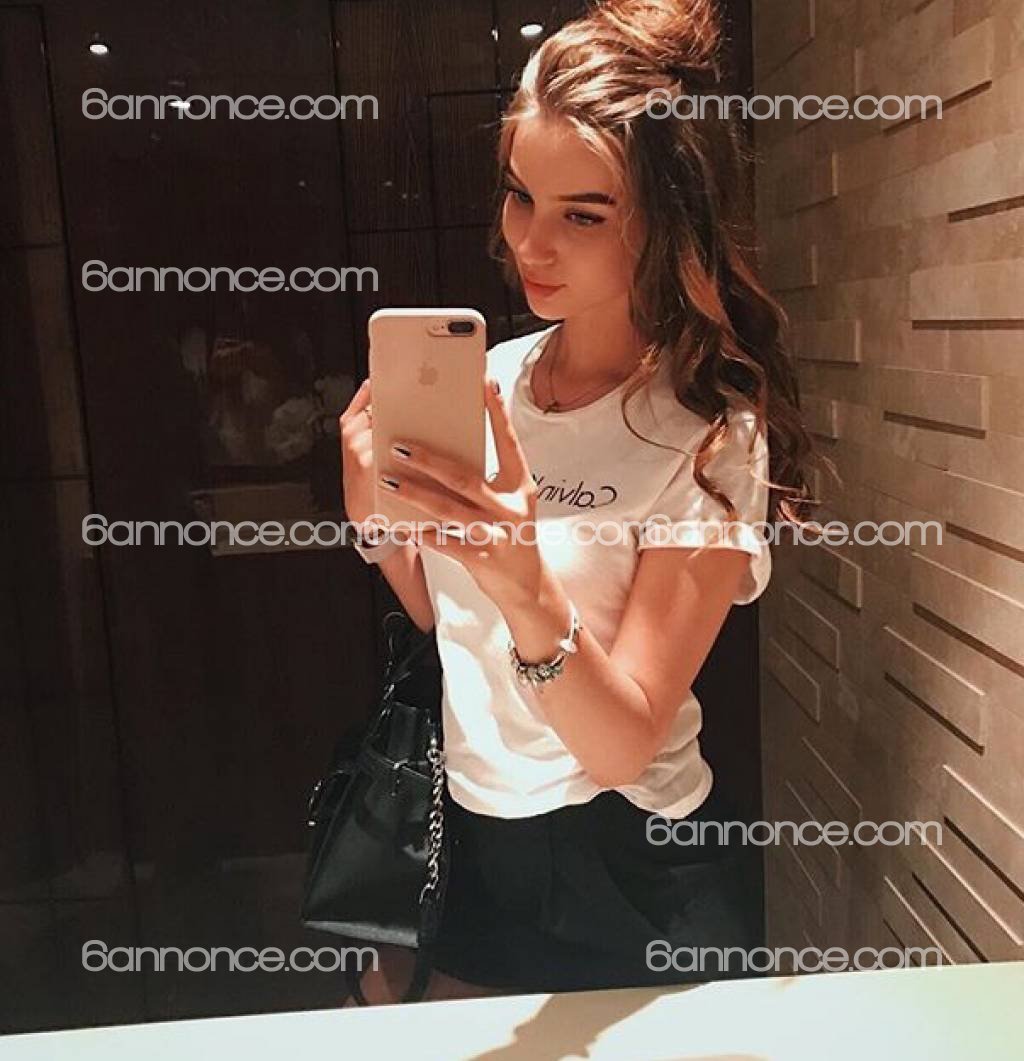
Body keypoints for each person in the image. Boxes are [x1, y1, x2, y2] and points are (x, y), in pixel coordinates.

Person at [338, 0, 825, 1004]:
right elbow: (445, 620)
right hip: (473, 835)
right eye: (521, 196)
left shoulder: (707, 432)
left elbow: (621, 743)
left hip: (634, 865)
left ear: (664, 218)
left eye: (583, 214)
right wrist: (378, 527)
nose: (531, 241)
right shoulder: (487, 382)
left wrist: (524, 579)